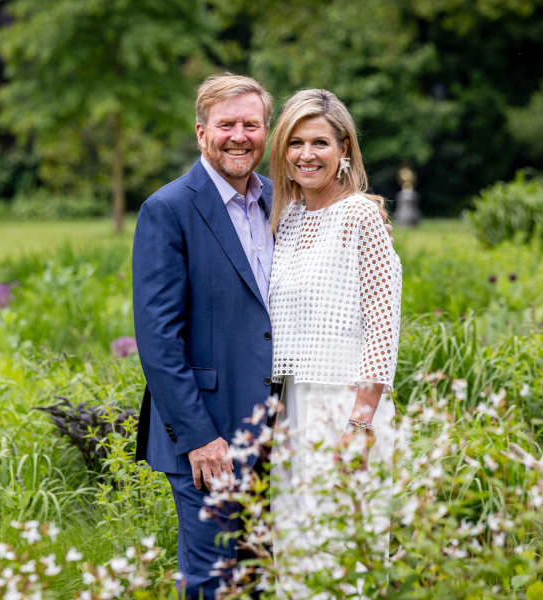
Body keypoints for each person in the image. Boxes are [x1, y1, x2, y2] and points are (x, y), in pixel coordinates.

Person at [132, 75, 392, 599]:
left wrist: (367, 213)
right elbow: (158, 340)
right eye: (226, 124)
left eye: (251, 124)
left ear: (265, 131)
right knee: (213, 579)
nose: (238, 136)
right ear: (201, 131)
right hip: (209, 435)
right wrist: (200, 438)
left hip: (284, 426)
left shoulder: (286, 202)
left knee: (275, 573)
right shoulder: (169, 209)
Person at [266, 89, 402, 595]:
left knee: (343, 552)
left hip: (346, 405)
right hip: (288, 407)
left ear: (344, 148)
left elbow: (382, 324)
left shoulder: (362, 217)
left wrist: (361, 422)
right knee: (294, 550)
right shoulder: (285, 217)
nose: (307, 154)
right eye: (295, 142)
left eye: (320, 142)